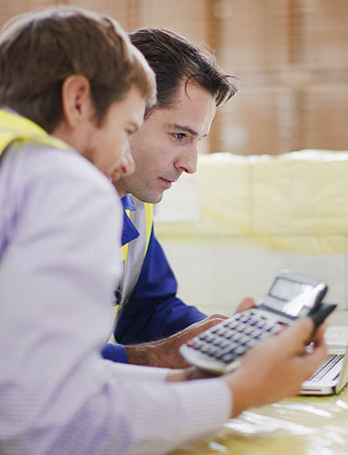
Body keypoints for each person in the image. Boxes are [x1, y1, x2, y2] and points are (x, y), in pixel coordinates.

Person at [0, 7, 327, 454]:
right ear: (78, 101)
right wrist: (240, 393)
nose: (122, 160)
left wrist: (182, 378)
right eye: (126, 129)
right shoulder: (54, 174)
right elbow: (46, 426)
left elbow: (17, 375)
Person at [102, 28, 246, 368]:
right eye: (179, 135)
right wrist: (156, 357)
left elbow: (149, 311)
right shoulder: (44, 207)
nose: (190, 164)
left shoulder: (134, 203)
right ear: (124, 117)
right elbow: (34, 361)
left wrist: (225, 337)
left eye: (198, 141)